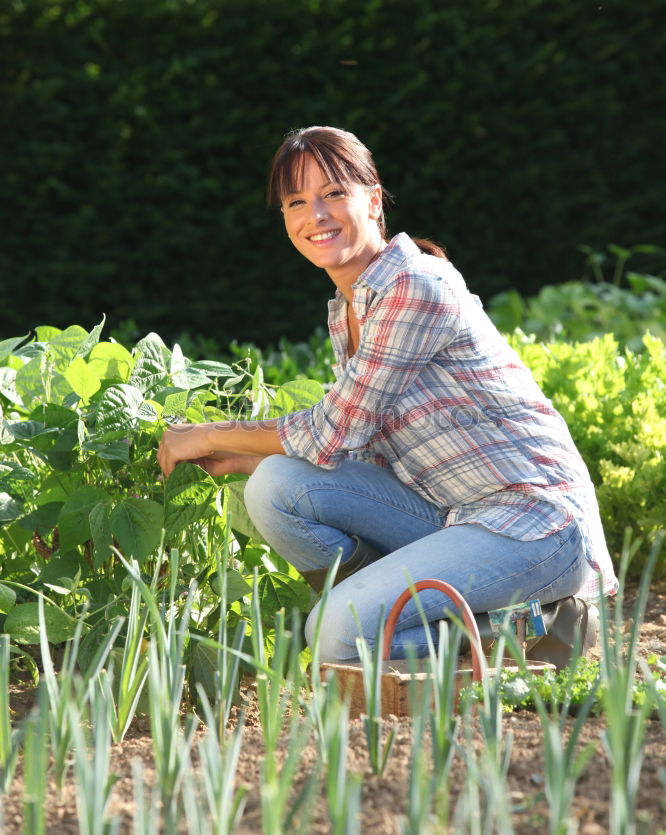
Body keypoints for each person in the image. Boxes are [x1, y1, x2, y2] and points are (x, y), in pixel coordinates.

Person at [157, 125, 616, 667]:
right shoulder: (349, 307)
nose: (316, 215)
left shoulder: (414, 286)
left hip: (535, 525)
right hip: (457, 515)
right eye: (296, 201)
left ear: (372, 201)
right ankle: (403, 614)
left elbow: (335, 430)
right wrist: (242, 455)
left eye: (333, 193)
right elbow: (356, 447)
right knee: (275, 485)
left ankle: (532, 628)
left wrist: (207, 434)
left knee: (337, 633)